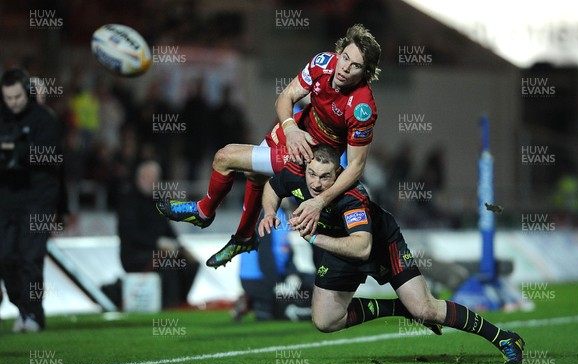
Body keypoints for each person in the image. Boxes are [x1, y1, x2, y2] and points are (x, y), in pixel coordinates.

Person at [257, 144, 525, 364]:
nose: (316, 183)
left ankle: (503, 337)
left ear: (338, 173)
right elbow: (272, 186)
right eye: (312, 174)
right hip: (340, 246)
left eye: (324, 176)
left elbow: (362, 247)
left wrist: (314, 237)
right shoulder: (296, 175)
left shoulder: (351, 198)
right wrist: (270, 212)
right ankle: (399, 308)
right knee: (325, 321)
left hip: (381, 245)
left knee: (426, 310)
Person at [157, 24, 381, 268]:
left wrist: (321, 200)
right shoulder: (322, 62)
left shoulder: (362, 108)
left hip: (310, 155)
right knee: (254, 174)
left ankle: (203, 213)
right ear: (339, 52)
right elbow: (285, 97)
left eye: (356, 65)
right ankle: (243, 237)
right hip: (294, 131)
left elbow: (357, 166)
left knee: (225, 157)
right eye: (345, 57)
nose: (345, 67)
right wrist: (291, 129)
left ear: (365, 72)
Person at [0, 68, 63, 332]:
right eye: (8, 98)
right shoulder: (2, 117)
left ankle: (34, 314)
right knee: (5, 258)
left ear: (26, 92)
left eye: (17, 97)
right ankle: (23, 307)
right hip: (7, 198)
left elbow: (52, 157)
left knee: (31, 258)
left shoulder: (45, 119)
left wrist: (15, 150)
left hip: (38, 198)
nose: (13, 103)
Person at [117, 160, 199, 309]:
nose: (151, 182)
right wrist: (157, 243)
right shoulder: (128, 201)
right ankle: (170, 305)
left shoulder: (158, 202)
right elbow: (131, 234)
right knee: (168, 263)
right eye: (148, 177)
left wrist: (180, 247)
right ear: (139, 178)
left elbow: (168, 230)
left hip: (158, 251)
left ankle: (181, 301)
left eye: (154, 178)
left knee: (191, 263)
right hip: (135, 255)